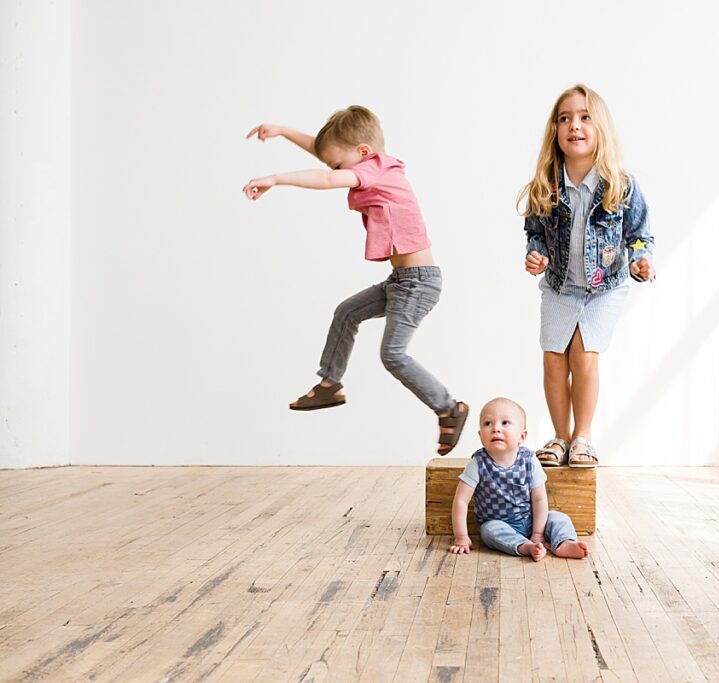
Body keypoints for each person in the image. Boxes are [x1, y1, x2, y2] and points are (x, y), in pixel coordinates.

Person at [242, 107, 468, 455]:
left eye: (338, 164)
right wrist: (283, 131)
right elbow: (327, 154)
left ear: (363, 153)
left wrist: (276, 178)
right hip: (401, 279)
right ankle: (330, 384)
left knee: (393, 354)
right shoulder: (376, 164)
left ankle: (448, 407)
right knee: (347, 312)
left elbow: (329, 178)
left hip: (418, 282)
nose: (334, 170)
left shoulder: (375, 170)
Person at [519, 84, 655, 469]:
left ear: (600, 129)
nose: (573, 126)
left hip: (604, 289)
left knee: (583, 355)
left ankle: (583, 436)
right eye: (565, 118)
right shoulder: (546, 185)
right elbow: (535, 232)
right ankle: (560, 436)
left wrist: (641, 259)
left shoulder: (620, 184)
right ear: (555, 130)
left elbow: (640, 234)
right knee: (552, 358)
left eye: (584, 117)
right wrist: (537, 256)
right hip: (560, 286)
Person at [448, 397, 588, 561]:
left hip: (531, 520)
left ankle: (564, 543)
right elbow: (461, 501)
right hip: (500, 524)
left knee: (559, 518)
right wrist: (461, 537)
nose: (496, 429)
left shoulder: (529, 460)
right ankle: (525, 547)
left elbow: (539, 500)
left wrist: (538, 533)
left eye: (505, 423)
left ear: (522, 436)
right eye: (488, 423)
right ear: (480, 436)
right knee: (488, 531)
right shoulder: (478, 463)